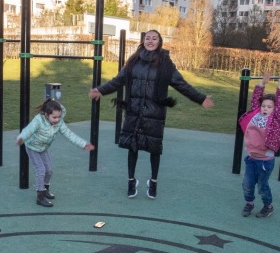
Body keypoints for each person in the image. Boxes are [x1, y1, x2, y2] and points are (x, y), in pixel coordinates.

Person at [89, 29, 214, 199]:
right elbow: (118, 80)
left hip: (155, 113)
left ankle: (153, 182)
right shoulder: (133, 61)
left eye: (154, 38)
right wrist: (101, 91)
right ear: (143, 41)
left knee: (155, 148)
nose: (150, 41)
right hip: (134, 110)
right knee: (132, 147)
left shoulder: (165, 64)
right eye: (148, 38)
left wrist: (200, 98)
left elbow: (181, 84)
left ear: (159, 42)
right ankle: (131, 181)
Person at [16, 98, 94, 208]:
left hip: (43, 148)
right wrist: (21, 138)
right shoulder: (38, 121)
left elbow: (69, 134)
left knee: (49, 170)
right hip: (32, 147)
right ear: (46, 115)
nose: (57, 120)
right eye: (54, 117)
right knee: (41, 169)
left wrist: (83, 144)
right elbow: (28, 130)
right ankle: (40, 196)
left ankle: (46, 189)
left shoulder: (59, 123)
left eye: (59, 117)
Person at [237, 77, 280, 219]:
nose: (265, 108)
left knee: (262, 187)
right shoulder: (255, 114)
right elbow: (255, 99)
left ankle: (268, 206)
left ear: (275, 109)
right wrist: (262, 83)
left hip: (265, 161)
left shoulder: (277, 120)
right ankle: (249, 203)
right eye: (264, 106)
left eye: (269, 106)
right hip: (251, 159)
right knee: (247, 184)